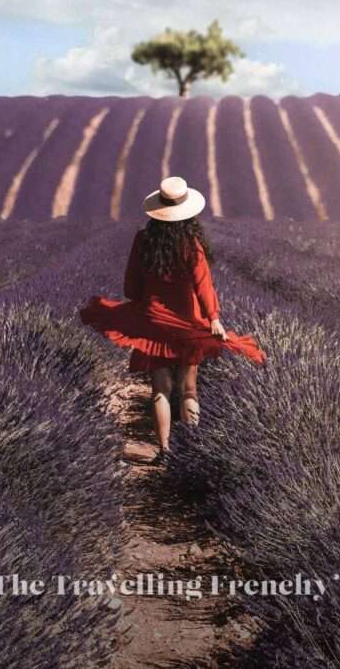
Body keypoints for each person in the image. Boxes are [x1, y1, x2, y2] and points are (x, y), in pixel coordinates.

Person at [79, 175, 267, 466]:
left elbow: (131, 287)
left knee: (160, 389)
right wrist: (213, 319)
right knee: (188, 388)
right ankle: (192, 453)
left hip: (153, 324)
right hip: (187, 324)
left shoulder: (143, 240)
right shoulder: (191, 245)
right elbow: (204, 286)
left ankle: (165, 451)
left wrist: (146, 301)